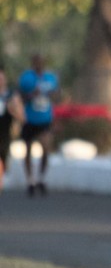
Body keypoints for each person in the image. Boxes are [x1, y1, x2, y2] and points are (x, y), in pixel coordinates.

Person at [18, 54, 60, 196]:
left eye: (41, 62)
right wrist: (31, 95)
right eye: (36, 62)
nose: (39, 64)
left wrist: (53, 94)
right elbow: (20, 96)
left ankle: (41, 178)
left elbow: (56, 97)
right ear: (33, 63)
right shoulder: (26, 78)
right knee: (28, 150)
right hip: (30, 119)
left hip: (45, 119)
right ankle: (30, 180)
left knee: (46, 147)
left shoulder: (50, 78)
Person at [0, 67, 26, 201]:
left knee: (2, 166)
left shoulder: (11, 96)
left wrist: (13, 110)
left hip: (4, 137)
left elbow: (23, 118)